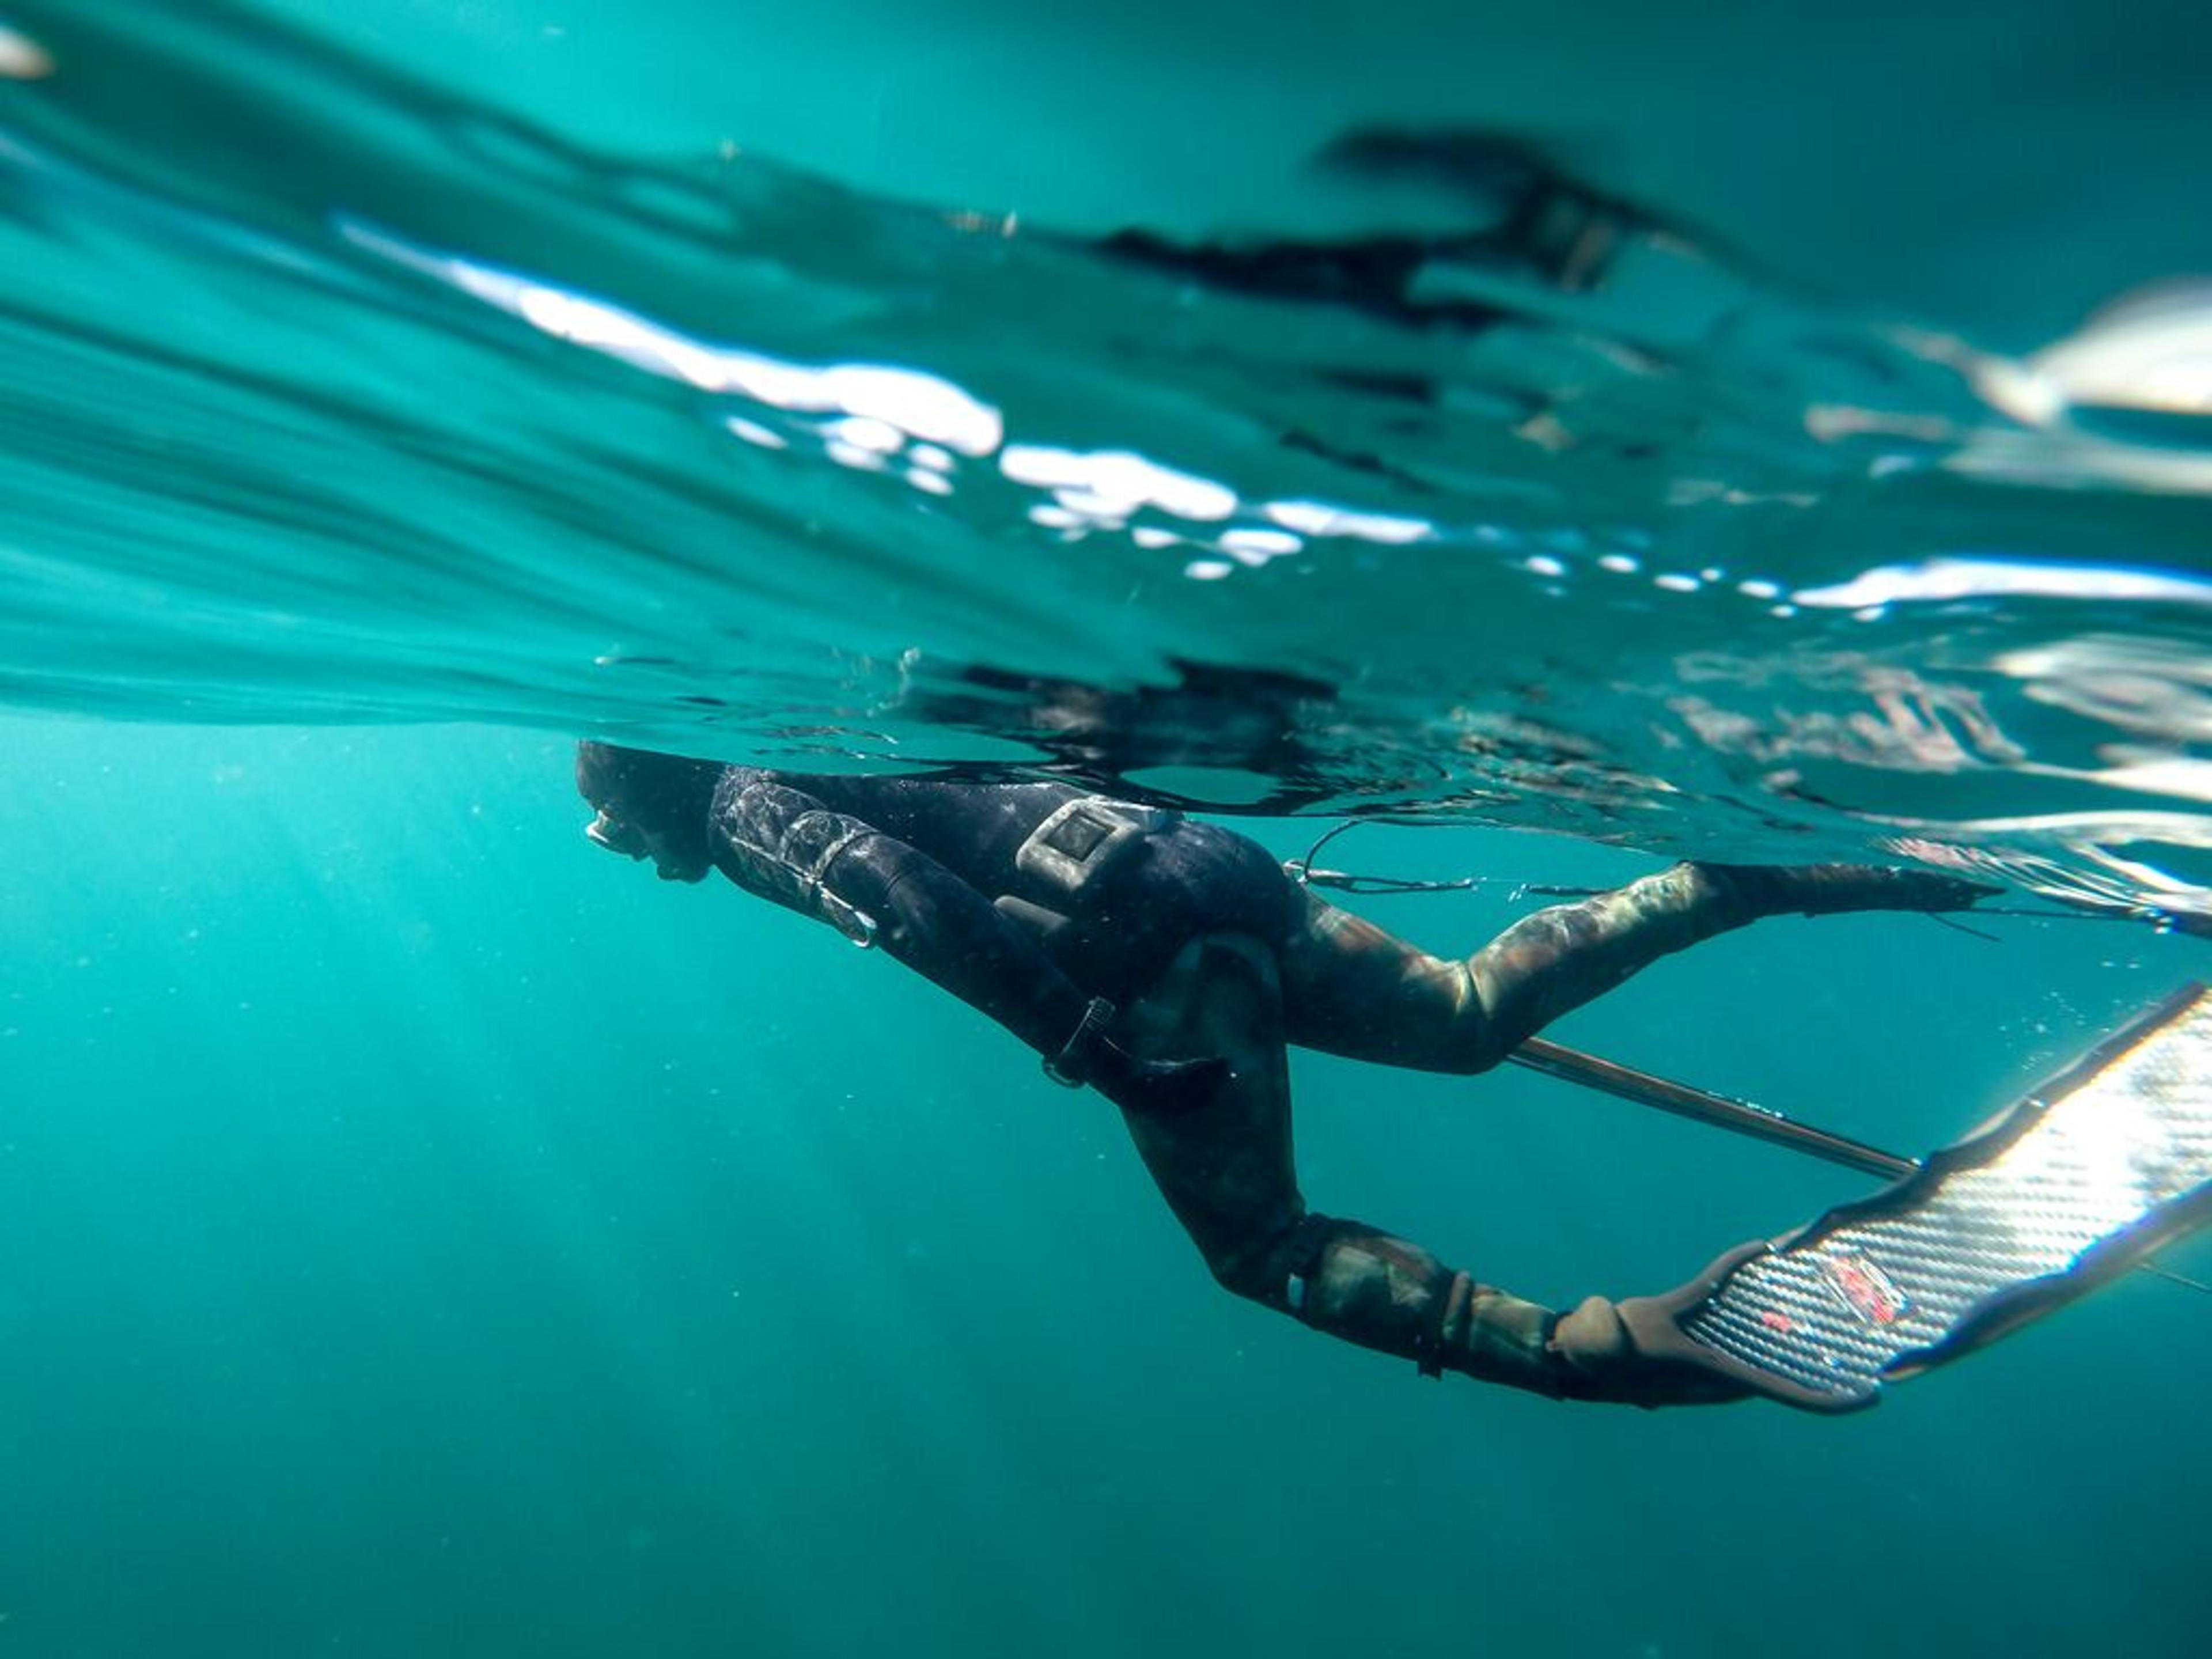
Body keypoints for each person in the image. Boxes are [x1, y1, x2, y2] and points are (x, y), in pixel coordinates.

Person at [575, 741, 1997, 1408]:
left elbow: (901, 899)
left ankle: (1596, 1349)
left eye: (609, 817)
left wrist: (1091, 1047)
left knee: (1258, 1249)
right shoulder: (817, 723)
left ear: (647, 787)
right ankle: (1732, 882)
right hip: (1204, 864)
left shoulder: (742, 801)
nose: (617, 845)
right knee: (1465, 1016)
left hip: (1145, 952)